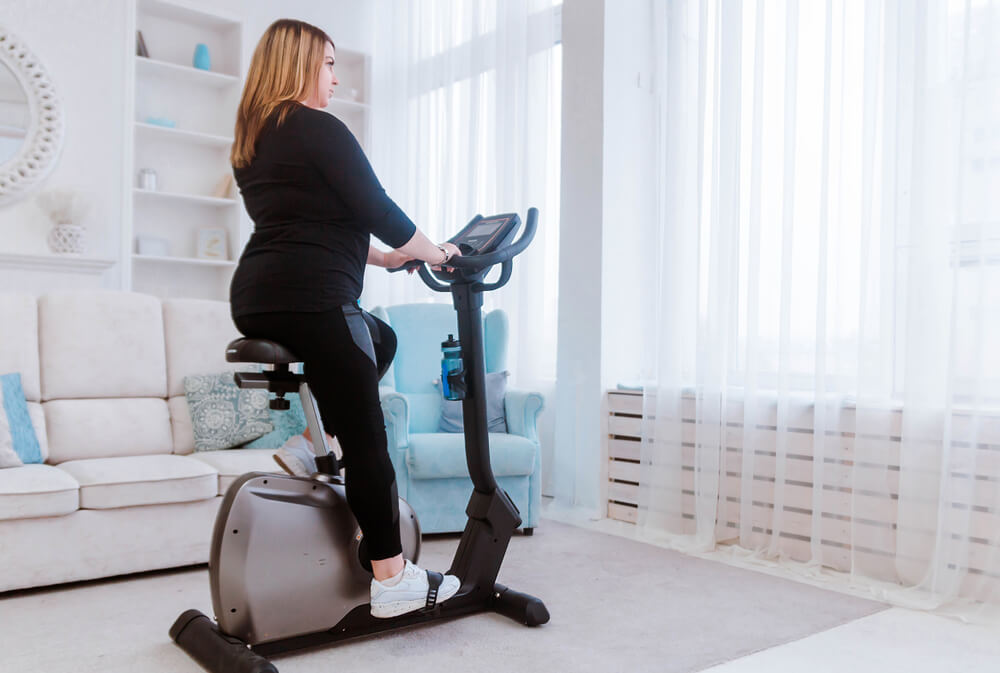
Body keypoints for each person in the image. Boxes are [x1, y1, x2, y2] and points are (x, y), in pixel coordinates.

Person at [229, 18, 462, 619]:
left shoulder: (256, 138)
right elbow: (374, 205)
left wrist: (387, 258)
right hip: (315, 297)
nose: (337, 75)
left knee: (376, 338)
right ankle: (390, 577)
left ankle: (311, 441)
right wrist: (436, 251)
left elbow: (311, 218)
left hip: (259, 295)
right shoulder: (318, 127)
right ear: (301, 64)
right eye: (329, 63)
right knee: (367, 438)